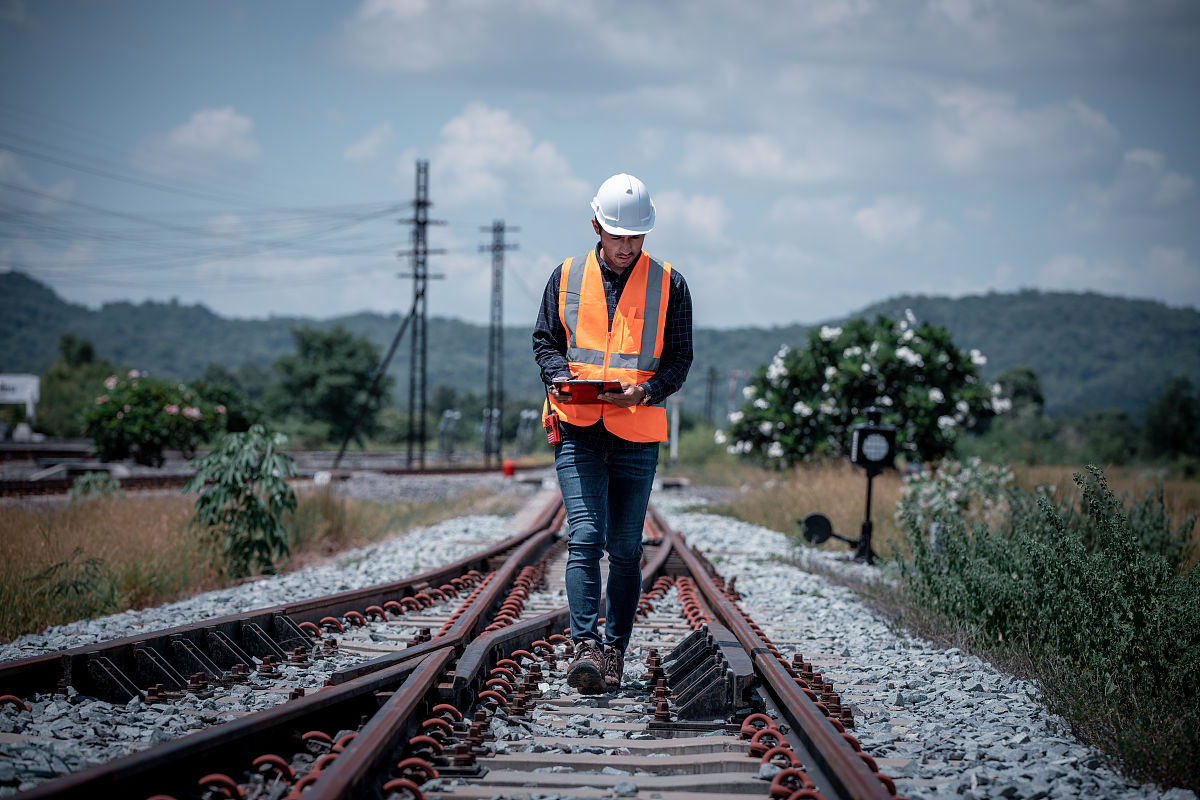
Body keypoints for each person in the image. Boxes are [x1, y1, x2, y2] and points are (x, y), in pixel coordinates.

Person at [532, 173, 693, 693]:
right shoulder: (565, 275)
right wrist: (558, 376)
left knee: (625, 548)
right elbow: (545, 343)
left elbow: (679, 360)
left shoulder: (671, 283)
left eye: (635, 237)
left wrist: (643, 395)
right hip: (576, 426)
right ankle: (584, 646)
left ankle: (614, 653)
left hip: (637, 432)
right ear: (596, 225)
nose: (625, 247)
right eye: (617, 235)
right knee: (584, 538)